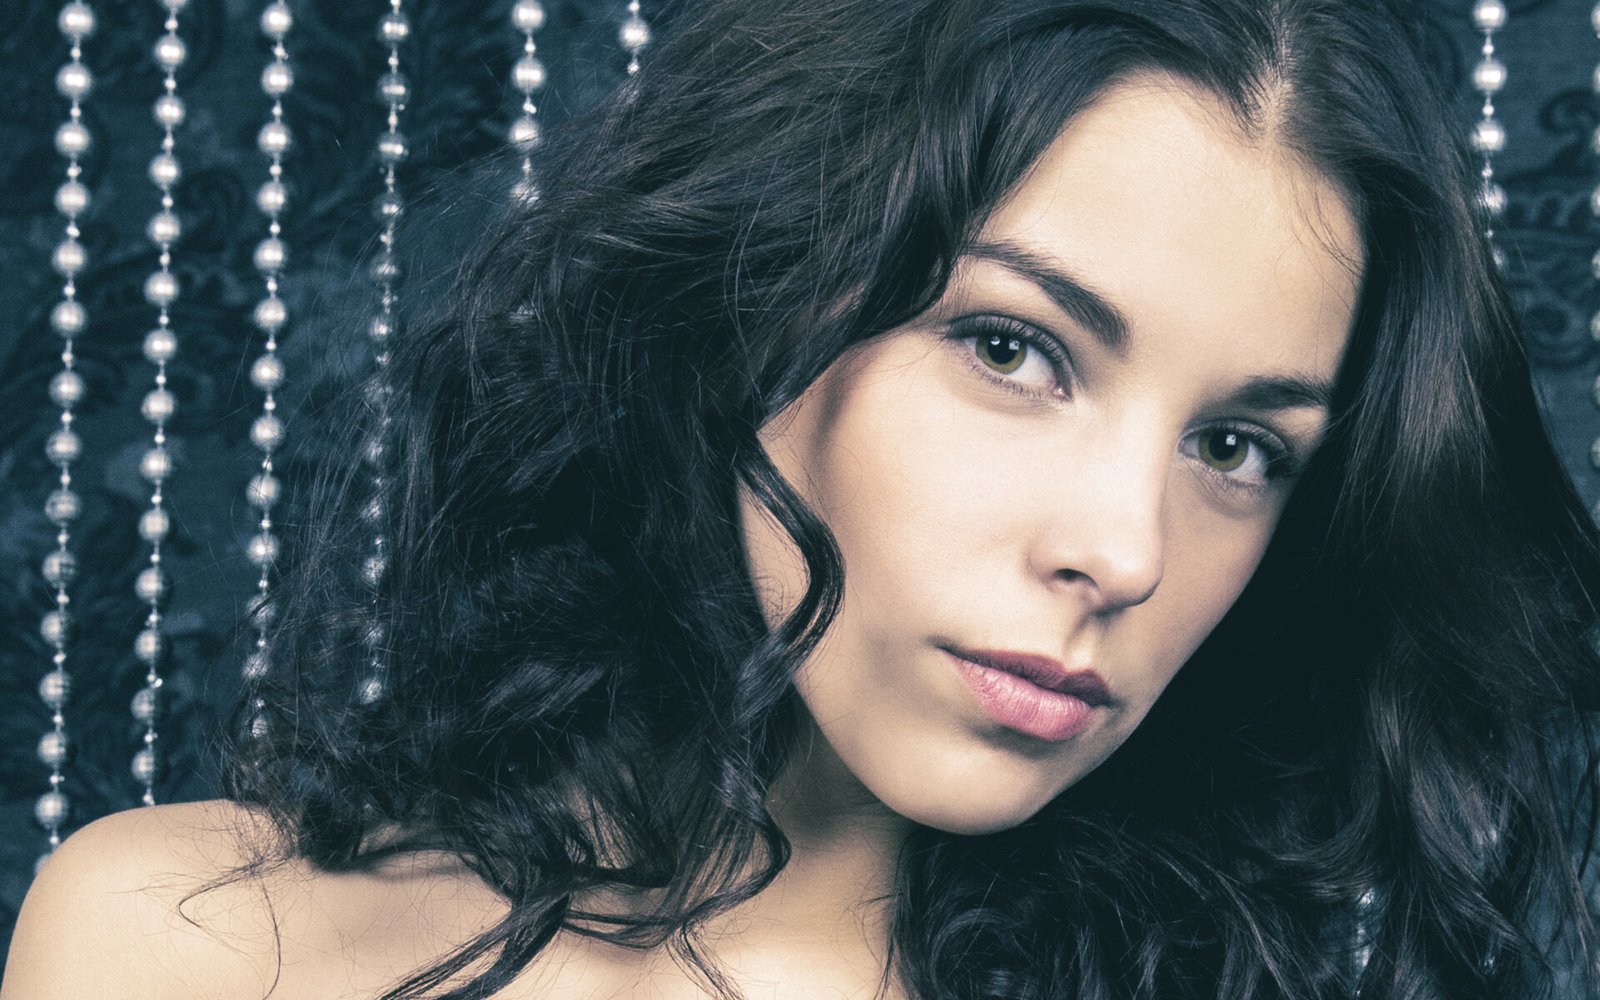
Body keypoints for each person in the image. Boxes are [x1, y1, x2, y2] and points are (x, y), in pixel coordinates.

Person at [6, 0, 1600, 997]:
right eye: (1011, 349)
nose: (1124, 550)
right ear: (749, 304)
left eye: (1239, 449)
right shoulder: (173, 940)